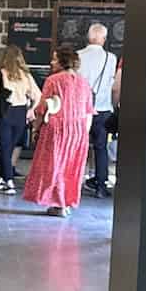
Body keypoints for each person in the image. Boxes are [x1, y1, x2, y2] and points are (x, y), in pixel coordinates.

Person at [24, 45, 94, 217]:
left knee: (54, 166)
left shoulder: (53, 81)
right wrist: (84, 133)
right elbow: (88, 111)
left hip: (56, 129)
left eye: (55, 59)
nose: (51, 62)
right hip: (78, 129)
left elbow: (42, 108)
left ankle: (58, 203)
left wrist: (36, 128)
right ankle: (66, 202)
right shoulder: (84, 82)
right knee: (71, 167)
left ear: (63, 61)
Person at [0, 47, 40, 193]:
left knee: (3, 147)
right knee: (9, 147)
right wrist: (31, 110)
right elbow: (38, 95)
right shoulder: (26, 75)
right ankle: (0, 178)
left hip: (3, 114)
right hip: (20, 114)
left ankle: (8, 180)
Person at [78, 23, 118, 198]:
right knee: (101, 147)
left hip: (80, 109)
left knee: (78, 146)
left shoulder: (78, 56)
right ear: (103, 38)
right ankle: (100, 185)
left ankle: (74, 182)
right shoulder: (111, 58)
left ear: (89, 37)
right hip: (102, 108)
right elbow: (112, 84)